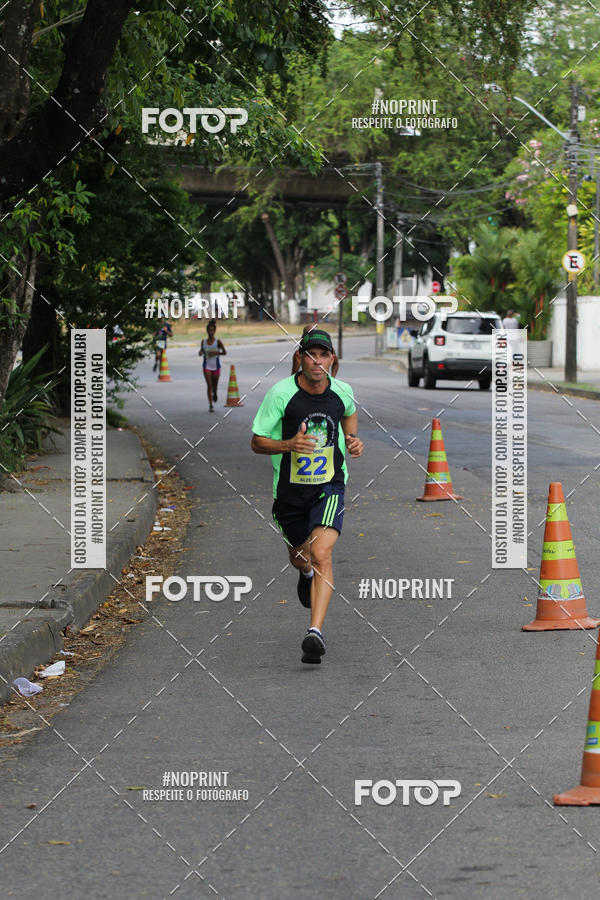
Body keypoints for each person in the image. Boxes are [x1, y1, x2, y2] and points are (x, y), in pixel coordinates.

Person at [251, 328, 363, 665]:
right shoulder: (281, 394)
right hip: (289, 493)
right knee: (301, 558)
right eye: (311, 354)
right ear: (300, 358)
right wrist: (288, 444)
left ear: (332, 360)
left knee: (321, 552)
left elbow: (349, 411)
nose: (317, 361)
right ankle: (305, 574)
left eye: (324, 355)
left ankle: (315, 632)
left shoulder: (342, 391)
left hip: (329, 486)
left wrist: (352, 438)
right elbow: (257, 441)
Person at [199, 319, 226, 412]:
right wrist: (200, 352)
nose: (210, 332)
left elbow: (224, 352)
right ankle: (210, 405)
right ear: (207, 331)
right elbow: (201, 351)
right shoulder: (203, 342)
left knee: (215, 385)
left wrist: (215, 352)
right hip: (206, 366)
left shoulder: (218, 342)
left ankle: (215, 392)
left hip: (216, 367)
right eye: (209, 330)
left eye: (212, 330)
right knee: (209, 385)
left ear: (215, 331)